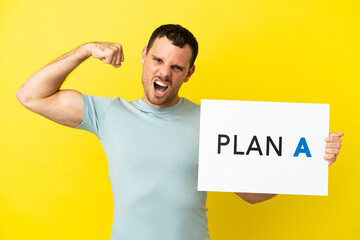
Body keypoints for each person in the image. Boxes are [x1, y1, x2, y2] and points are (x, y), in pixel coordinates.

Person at [16, 24, 344, 240]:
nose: (164, 72)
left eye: (176, 67)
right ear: (144, 57)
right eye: (158, 60)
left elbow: (250, 195)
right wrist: (85, 49)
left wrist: (309, 166)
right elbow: (30, 95)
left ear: (189, 73)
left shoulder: (212, 123)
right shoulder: (109, 113)